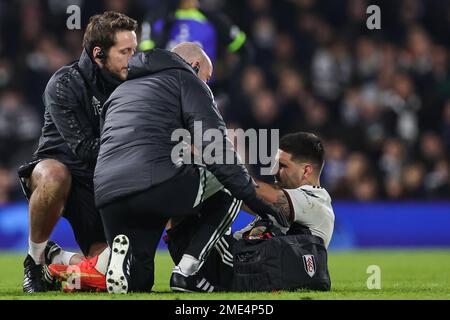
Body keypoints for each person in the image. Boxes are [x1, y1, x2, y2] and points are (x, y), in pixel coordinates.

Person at [94, 42, 286, 293]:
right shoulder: (187, 80)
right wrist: (254, 198)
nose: (208, 84)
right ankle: (187, 271)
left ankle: (120, 260)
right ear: (194, 66)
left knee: (140, 282)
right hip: (154, 183)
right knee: (231, 182)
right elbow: (217, 148)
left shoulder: (121, 91)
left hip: (108, 191)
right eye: (207, 77)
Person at [18, 11, 138, 293]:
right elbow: (83, 149)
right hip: (60, 171)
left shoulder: (134, 85)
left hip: (100, 184)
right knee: (55, 175)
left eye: (135, 50)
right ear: (99, 54)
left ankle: (57, 260)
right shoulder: (64, 83)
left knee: (108, 274)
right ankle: (34, 262)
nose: (134, 58)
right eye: (125, 51)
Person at [166, 132, 335, 291]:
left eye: (282, 166)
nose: (274, 171)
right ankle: (189, 273)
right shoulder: (294, 198)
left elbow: (250, 191)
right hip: (242, 261)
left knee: (233, 186)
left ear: (306, 170)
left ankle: (187, 270)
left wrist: (209, 160)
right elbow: (252, 198)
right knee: (190, 191)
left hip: (247, 265)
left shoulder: (316, 200)